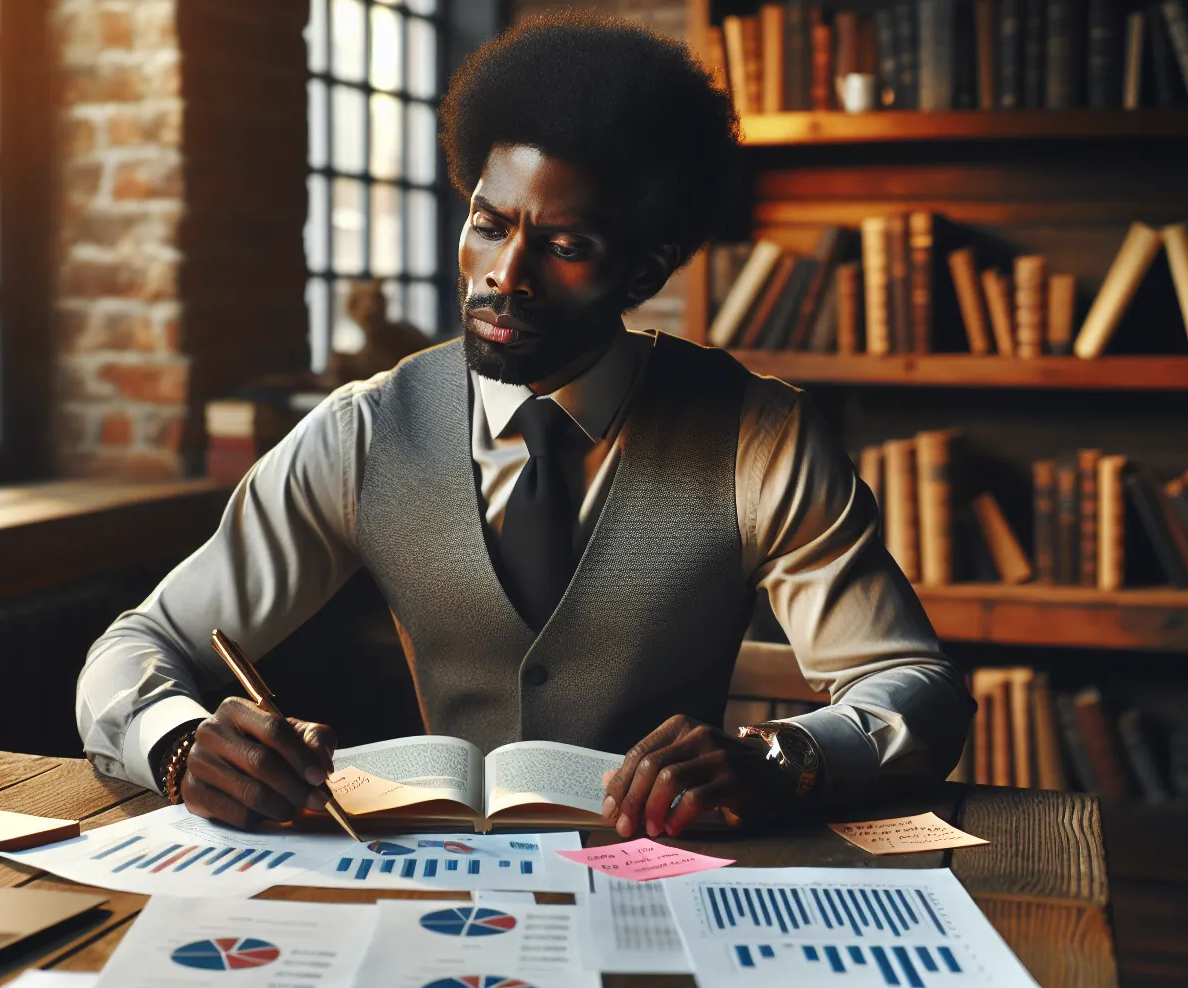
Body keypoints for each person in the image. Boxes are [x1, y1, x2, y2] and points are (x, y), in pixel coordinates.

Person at [76, 14, 971, 840]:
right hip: (435, 882)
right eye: (489, 224)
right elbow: (137, 645)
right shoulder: (362, 431)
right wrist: (179, 744)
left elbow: (915, 685)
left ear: (645, 266)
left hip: (674, 874)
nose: (506, 275)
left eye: (564, 244)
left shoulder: (759, 435)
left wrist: (787, 757)